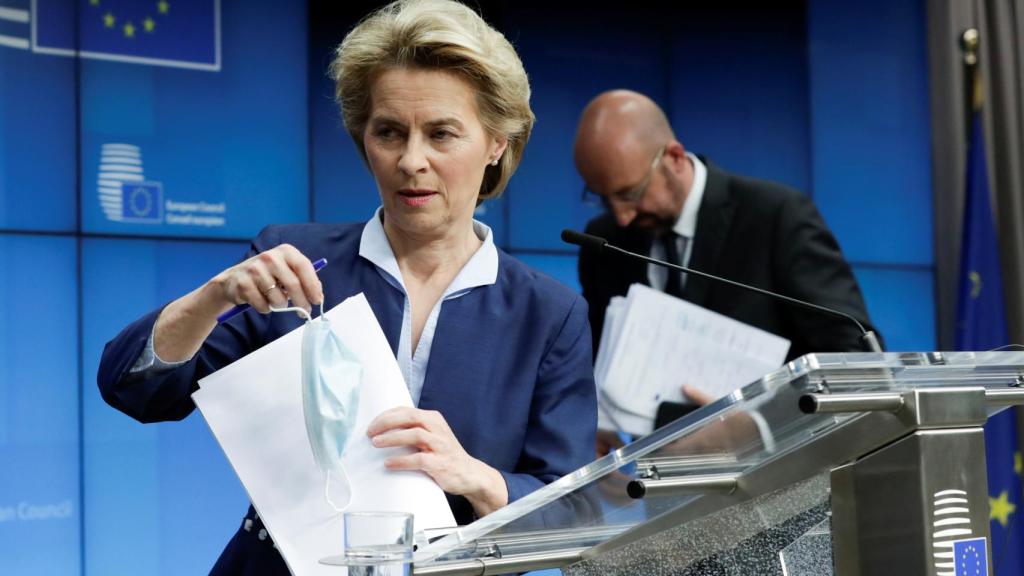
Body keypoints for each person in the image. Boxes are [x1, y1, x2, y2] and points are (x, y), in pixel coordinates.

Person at [96, 1, 596, 573]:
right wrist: (214, 296)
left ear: (496, 144)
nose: (412, 161)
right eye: (389, 132)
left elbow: (573, 515)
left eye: (441, 134)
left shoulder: (548, 313)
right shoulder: (291, 263)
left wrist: (478, 477)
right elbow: (134, 389)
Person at [574, 89, 879, 453]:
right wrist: (589, 423)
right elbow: (594, 363)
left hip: (783, 476)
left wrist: (760, 426)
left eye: (630, 193)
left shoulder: (776, 217)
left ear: (673, 157)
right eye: (603, 198)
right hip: (657, 491)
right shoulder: (604, 243)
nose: (622, 215)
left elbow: (857, 364)